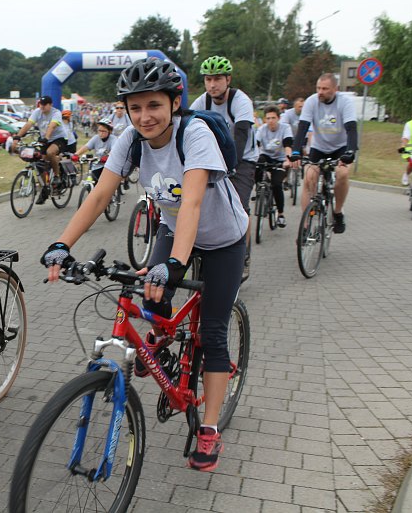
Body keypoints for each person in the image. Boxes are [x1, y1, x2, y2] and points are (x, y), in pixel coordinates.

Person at [42, 58, 247, 472]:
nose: (144, 116)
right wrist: (62, 243)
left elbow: (192, 202)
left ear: (174, 103)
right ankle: (162, 342)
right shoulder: (131, 139)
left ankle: (209, 428)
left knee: (212, 333)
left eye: (154, 105)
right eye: (134, 108)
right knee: (150, 297)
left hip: (223, 238)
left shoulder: (195, 133)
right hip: (174, 230)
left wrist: (174, 264)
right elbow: (100, 195)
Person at [191, 55, 257, 277]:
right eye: (208, 79)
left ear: (228, 79)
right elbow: (186, 129)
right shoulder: (202, 102)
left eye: (217, 79)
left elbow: (241, 134)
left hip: (243, 159)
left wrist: (231, 165)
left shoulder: (241, 101)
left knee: (240, 207)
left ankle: (243, 257)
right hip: (214, 159)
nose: (212, 84)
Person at [290, 73, 357, 232]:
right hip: (319, 147)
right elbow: (303, 128)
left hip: (340, 147)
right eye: (318, 88)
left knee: (342, 174)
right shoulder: (311, 101)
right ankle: (305, 226)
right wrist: (296, 151)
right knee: (309, 178)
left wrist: (350, 151)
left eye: (325, 89)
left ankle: (338, 212)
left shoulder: (345, 102)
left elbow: (351, 129)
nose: (320, 92)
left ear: (335, 89)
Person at [14, 96, 69, 204]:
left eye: (44, 104)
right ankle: (45, 187)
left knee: (50, 152)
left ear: (50, 105)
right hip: (44, 139)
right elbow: (28, 124)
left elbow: (52, 126)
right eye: (41, 104)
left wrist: (46, 138)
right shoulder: (37, 112)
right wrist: (17, 137)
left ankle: (57, 176)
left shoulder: (56, 113)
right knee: (39, 162)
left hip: (59, 138)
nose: (42, 106)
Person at [255, 106, 294, 227]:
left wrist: (288, 159)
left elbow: (287, 145)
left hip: (280, 160)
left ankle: (281, 214)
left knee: (276, 184)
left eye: (273, 118)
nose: (270, 121)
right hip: (266, 157)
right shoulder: (262, 129)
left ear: (278, 118)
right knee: (257, 164)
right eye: (268, 118)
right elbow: (256, 145)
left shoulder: (285, 128)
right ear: (265, 119)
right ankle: (260, 189)